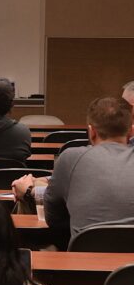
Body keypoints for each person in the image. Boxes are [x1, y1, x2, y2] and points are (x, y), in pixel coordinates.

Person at [13, 96, 134, 242]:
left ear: (91, 132)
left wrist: (29, 192)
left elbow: (53, 219)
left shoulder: (71, 157)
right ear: (131, 131)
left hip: (85, 258)